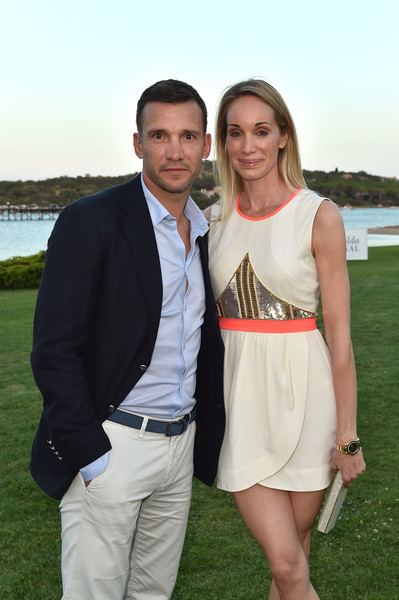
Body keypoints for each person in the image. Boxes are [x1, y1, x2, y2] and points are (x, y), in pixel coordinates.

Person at [29, 78, 225, 600]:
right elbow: (54, 349)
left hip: (178, 446)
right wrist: (92, 456)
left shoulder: (205, 233)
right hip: (113, 444)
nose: (175, 150)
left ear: (206, 146)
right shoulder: (91, 221)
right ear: (138, 144)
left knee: (153, 593)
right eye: (159, 135)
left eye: (188, 136)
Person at [208, 79, 366, 600]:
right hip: (240, 409)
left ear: (283, 137)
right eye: (235, 133)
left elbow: (339, 338)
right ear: (223, 142)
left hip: (308, 404)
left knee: (291, 562)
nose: (247, 145)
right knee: (288, 565)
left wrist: (347, 437)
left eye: (260, 131)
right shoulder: (214, 221)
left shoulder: (318, 215)